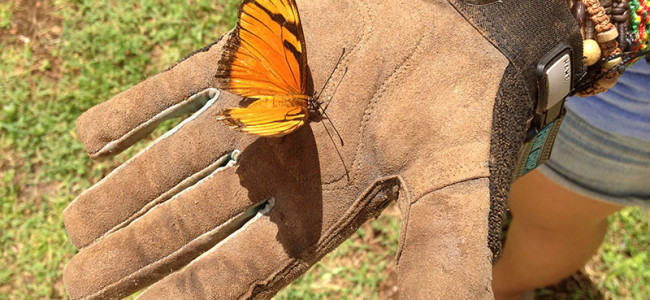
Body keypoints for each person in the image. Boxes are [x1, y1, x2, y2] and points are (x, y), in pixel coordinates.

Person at [492, 61, 650, 299]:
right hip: (617, 109)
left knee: (547, 226)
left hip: (607, 112)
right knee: (550, 227)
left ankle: (498, 289)